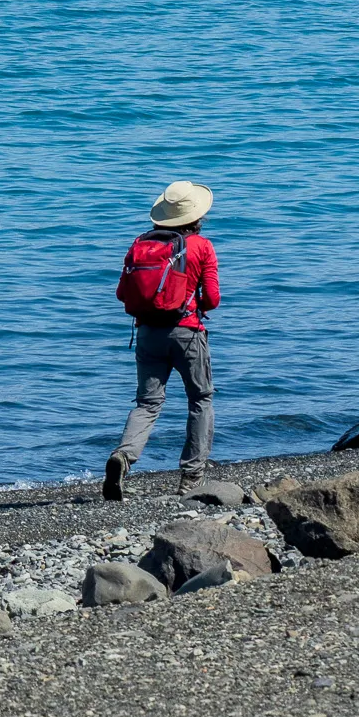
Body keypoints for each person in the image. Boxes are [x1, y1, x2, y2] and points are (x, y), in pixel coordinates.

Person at [103, 180, 220, 500]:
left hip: (147, 333)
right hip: (187, 333)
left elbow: (120, 294)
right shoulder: (202, 246)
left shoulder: (140, 243)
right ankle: (191, 478)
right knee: (200, 399)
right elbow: (211, 300)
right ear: (197, 217)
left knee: (147, 403)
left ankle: (123, 457)